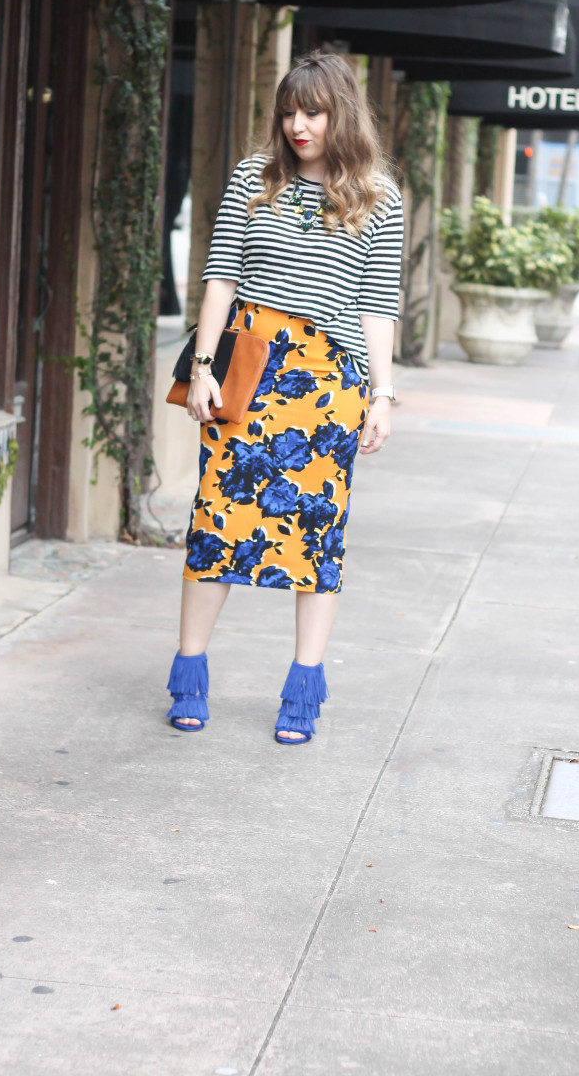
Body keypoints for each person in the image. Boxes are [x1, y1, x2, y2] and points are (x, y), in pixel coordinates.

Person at [166, 50, 403, 744]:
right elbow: (220, 275)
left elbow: (376, 306)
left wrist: (383, 396)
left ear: (342, 112)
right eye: (289, 113)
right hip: (249, 369)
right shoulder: (253, 178)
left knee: (317, 537)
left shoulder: (377, 198)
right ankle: (189, 671)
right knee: (217, 522)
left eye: (313, 112)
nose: (298, 126)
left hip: (329, 383)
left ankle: (303, 687)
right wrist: (203, 365)